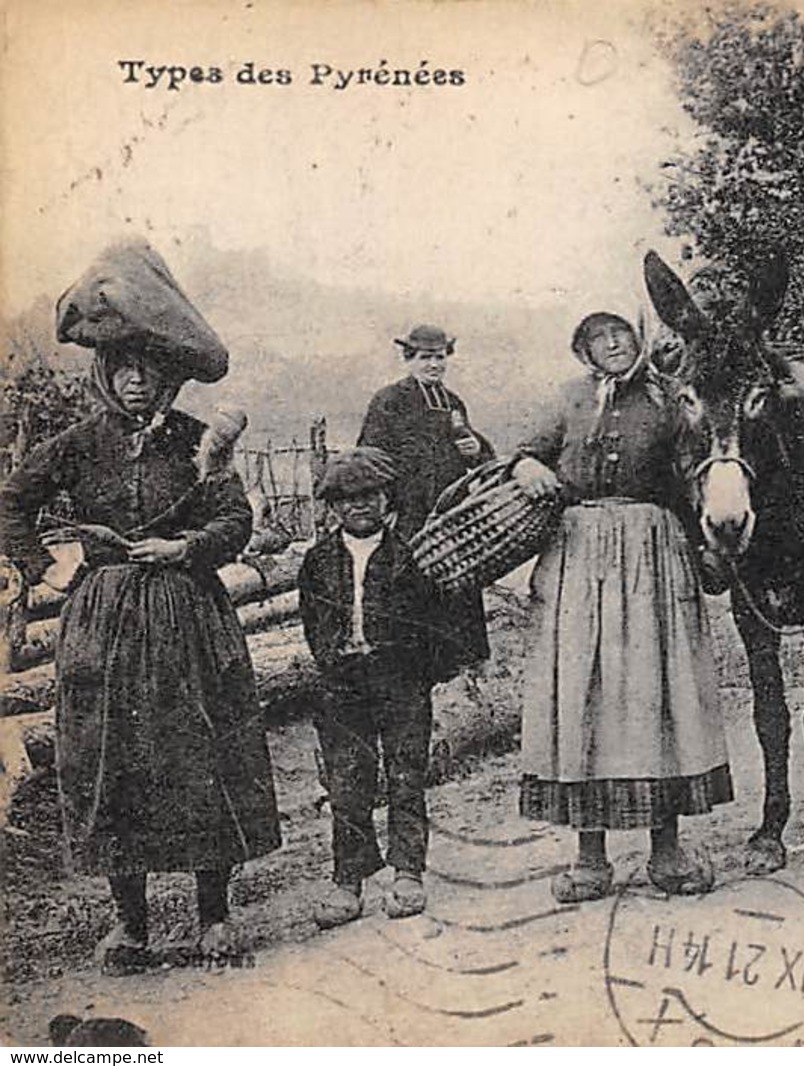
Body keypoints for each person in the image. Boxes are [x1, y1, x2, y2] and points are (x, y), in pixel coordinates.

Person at [0, 240, 280, 973]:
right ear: (103, 373)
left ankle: (213, 917)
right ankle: (131, 926)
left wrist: (185, 550)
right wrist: (48, 568)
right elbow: (11, 505)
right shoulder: (75, 445)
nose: (133, 382)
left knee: (202, 755)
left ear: (165, 380)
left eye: (147, 371)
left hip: (189, 617)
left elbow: (235, 521)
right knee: (110, 765)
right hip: (103, 621)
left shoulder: (197, 442)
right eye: (121, 369)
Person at [509, 311, 733, 901]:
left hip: (653, 557)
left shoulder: (667, 401)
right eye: (597, 338)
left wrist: (706, 550)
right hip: (579, 556)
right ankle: (590, 862)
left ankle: (667, 855)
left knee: (656, 696)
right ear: (582, 351)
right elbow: (526, 452)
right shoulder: (568, 399)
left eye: (621, 335)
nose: (612, 343)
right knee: (584, 696)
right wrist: (529, 465)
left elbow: (695, 479)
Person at [298, 447, 460, 928]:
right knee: (347, 783)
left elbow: (434, 621)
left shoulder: (410, 556)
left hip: (401, 680)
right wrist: (332, 659)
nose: (358, 506)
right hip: (343, 684)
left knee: (407, 775)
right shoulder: (317, 560)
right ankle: (348, 880)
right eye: (345, 499)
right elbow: (313, 620)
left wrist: (415, 671)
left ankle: (407, 872)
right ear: (332, 508)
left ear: (386, 498)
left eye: (368, 495)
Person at [357, 323, 492, 673]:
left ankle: (461, 680)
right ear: (409, 359)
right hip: (407, 516)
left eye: (440, 357)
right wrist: (384, 506)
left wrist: (477, 449)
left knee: (457, 593)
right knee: (409, 595)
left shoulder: (453, 403)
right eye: (426, 358)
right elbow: (369, 458)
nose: (435, 365)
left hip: (451, 517)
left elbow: (480, 458)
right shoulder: (389, 401)